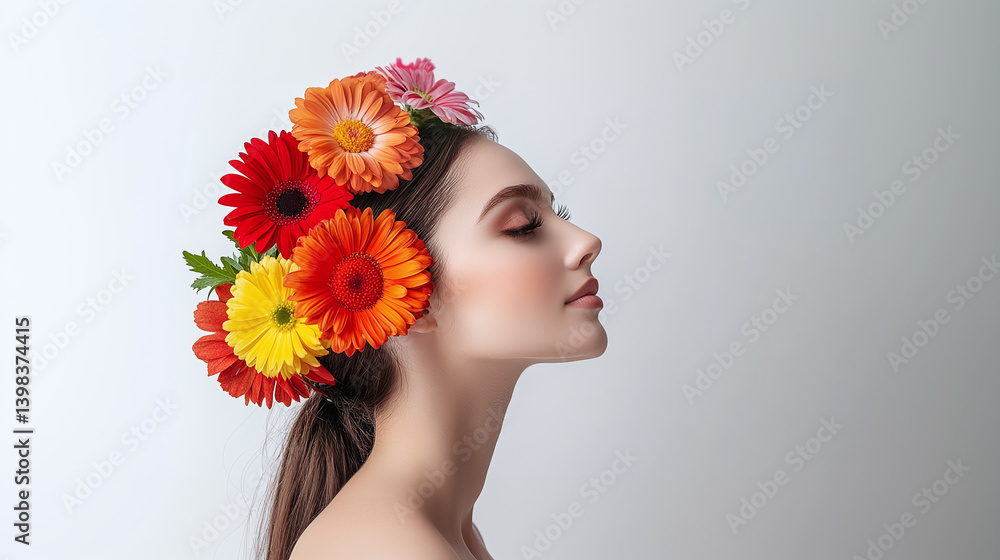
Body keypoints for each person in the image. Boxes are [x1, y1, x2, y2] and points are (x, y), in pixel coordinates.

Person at [184, 58, 607, 560]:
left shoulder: (438, 534)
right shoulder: (389, 547)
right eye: (521, 226)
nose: (586, 242)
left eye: (558, 215)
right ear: (399, 292)